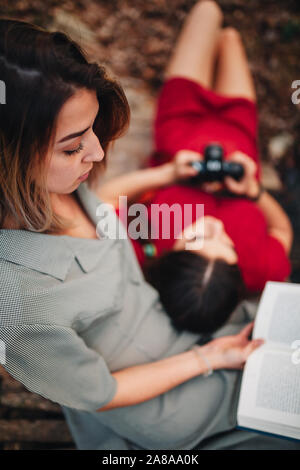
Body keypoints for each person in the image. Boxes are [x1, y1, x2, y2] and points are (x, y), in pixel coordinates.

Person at [0, 2, 299, 451]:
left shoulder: (57, 186)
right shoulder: (17, 304)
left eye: (92, 132)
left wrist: (166, 175)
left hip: (189, 329)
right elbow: (104, 393)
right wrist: (207, 358)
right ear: (9, 159)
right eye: (72, 147)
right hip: (175, 403)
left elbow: (101, 207)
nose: (99, 154)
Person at [98, 1, 293, 335]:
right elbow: (282, 232)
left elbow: (103, 201)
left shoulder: (148, 240)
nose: (216, 225)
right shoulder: (258, 271)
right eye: (228, 244)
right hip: (240, 133)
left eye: (198, 235)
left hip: (181, 126)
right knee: (231, 38)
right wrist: (254, 192)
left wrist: (168, 174)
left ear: (167, 259)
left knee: (208, 10)